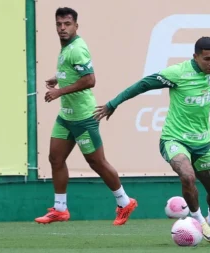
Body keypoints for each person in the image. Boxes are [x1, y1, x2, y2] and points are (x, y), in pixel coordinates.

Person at [94, 36, 210, 244]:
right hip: (174, 139)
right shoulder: (177, 73)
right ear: (195, 57)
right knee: (188, 176)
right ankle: (200, 222)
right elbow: (143, 84)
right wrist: (113, 103)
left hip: (202, 143)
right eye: (207, 59)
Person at [35, 7, 137, 226]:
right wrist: (58, 78)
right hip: (66, 116)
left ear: (76, 26)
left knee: (96, 162)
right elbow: (74, 72)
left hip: (83, 117)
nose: (62, 28)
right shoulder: (66, 48)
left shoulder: (77, 49)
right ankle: (60, 208)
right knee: (55, 158)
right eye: (59, 24)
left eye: (67, 24)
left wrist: (58, 91)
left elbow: (90, 80)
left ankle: (124, 201)